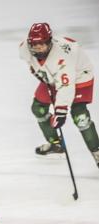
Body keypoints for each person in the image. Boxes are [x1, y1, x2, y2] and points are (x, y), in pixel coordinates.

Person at [19, 22, 99, 166]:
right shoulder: (25, 48)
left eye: (41, 44)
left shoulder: (63, 57)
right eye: (34, 44)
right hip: (54, 76)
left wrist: (60, 111)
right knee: (38, 108)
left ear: (49, 42)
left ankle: (97, 152)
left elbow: (65, 86)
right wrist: (40, 74)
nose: (37, 48)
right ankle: (55, 145)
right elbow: (33, 64)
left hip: (80, 76)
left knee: (80, 116)